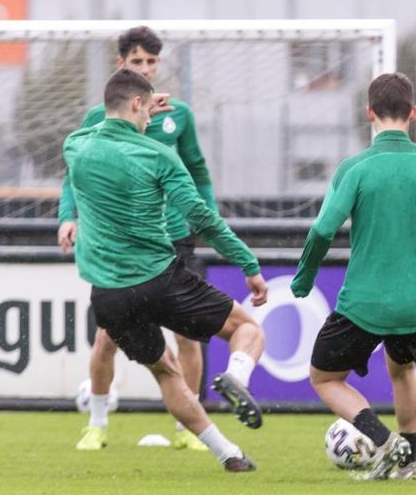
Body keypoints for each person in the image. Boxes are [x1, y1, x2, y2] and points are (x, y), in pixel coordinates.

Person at [62, 68, 269, 472]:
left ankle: (228, 453)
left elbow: (95, 124)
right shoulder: (158, 155)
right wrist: (248, 263)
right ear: (139, 104)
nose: (150, 122)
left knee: (165, 371)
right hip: (159, 280)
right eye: (146, 112)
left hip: (107, 295)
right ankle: (236, 379)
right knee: (248, 330)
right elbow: (202, 218)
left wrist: (127, 107)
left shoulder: (77, 148)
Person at [291, 73, 416, 481]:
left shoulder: (356, 168)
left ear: (369, 113)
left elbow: (322, 230)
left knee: (324, 377)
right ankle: (410, 464)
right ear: (414, 114)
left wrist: (304, 276)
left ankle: (385, 443)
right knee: (403, 369)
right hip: (413, 302)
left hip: (364, 302)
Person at [61, 26, 220, 452]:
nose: (146, 68)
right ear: (122, 65)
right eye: (137, 62)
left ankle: (190, 430)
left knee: (187, 338)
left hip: (174, 239)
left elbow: (198, 171)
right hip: (125, 244)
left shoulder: (178, 115)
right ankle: (96, 424)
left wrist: (210, 220)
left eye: (151, 61)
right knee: (106, 337)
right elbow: (73, 171)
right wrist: (67, 216)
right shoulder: (102, 118)